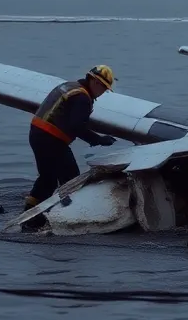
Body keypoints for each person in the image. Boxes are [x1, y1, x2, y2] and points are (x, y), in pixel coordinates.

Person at [22, 65, 117, 228]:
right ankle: (69, 216)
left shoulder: (71, 87)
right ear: (95, 82)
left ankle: (30, 215)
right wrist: (98, 139)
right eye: (103, 88)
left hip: (38, 133)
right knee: (71, 179)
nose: (103, 93)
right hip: (51, 139)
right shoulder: (82, 98)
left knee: (47, 178)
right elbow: (76, 126)